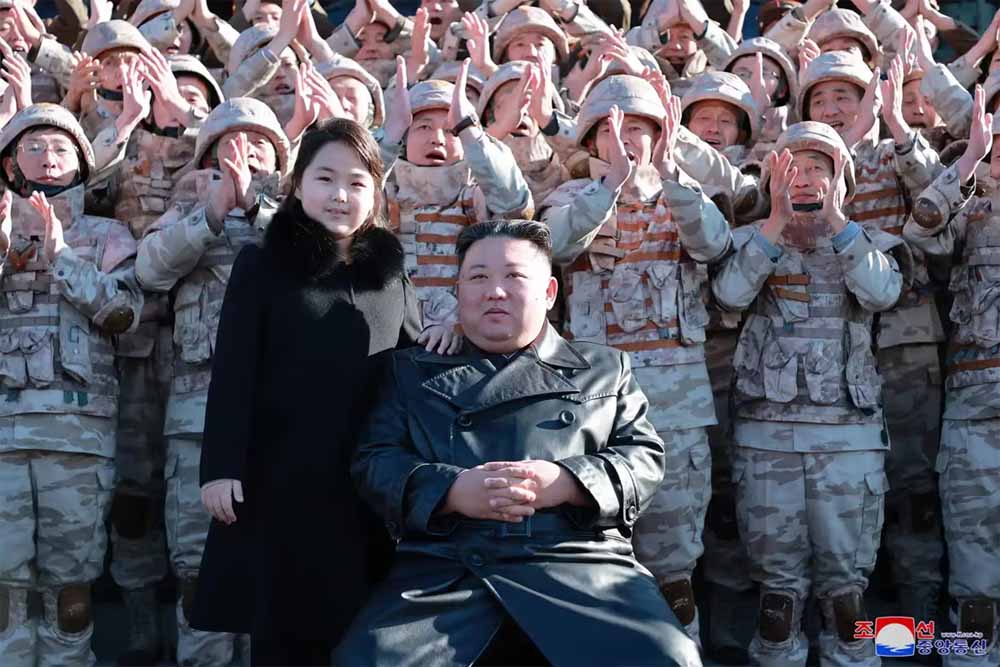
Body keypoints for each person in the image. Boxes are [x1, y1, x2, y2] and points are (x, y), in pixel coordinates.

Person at [335, 219, 701, 667]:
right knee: (365, 660)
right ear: (458, 291)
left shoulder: (605, 370)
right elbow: (375, 460)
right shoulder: (411, 370)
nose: (495, 291)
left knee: (670, 656)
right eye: (478, 277)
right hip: (447, 567)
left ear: (549, 292)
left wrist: (567, 482)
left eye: (514, 276)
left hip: (579, 561)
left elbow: (643, 458)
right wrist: (451, 491)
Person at [190, 119, 422, 666]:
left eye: (357, 182)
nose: (340, 194)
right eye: (325, 178)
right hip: (282, 482)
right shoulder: (262, 265)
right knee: (285, 632)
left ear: (375, 193)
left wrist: (443, 337)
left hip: (367, 485)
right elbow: (234, 370)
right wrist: (221, 467)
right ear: (297, 185)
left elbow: (413, 360)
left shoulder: (391, 276)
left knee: (362, 635)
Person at [713, 121, 907, 667]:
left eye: (819, 167)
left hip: (848, 438)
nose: (805, 178)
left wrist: (837, 221)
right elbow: (730, 294)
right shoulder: (750, 241)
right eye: (792, 169)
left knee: (847, 594)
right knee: (777, 598)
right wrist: (775, 223)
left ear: (841, 178)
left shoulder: (868, 242)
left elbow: (883, 293)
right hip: (767, 438)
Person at [134, 96, 290, 666]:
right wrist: (210, 216)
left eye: (258, 145)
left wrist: (256, 208)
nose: (244, 155)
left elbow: (317, 264)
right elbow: (149, 270)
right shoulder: (186, 214)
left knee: (275, 571)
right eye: (230, 145)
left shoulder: (298, 215)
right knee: (198, 572)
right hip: (196, 424)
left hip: (277, 425)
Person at [0, 103, 143, 667]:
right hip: (3, 439)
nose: (48, 157)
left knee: (70, 595)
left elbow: (125, 314)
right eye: (33, 146)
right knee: (5, 595)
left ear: (82, 162)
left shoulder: (107, 235)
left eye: (60, 147)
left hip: (78, 440)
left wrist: (62, 256)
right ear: (10, 163)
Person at [903, 85, 1000, 667]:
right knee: (975, 577)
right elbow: (920, 232)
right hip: (976, 409)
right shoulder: (971, 206)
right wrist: (967, 165)